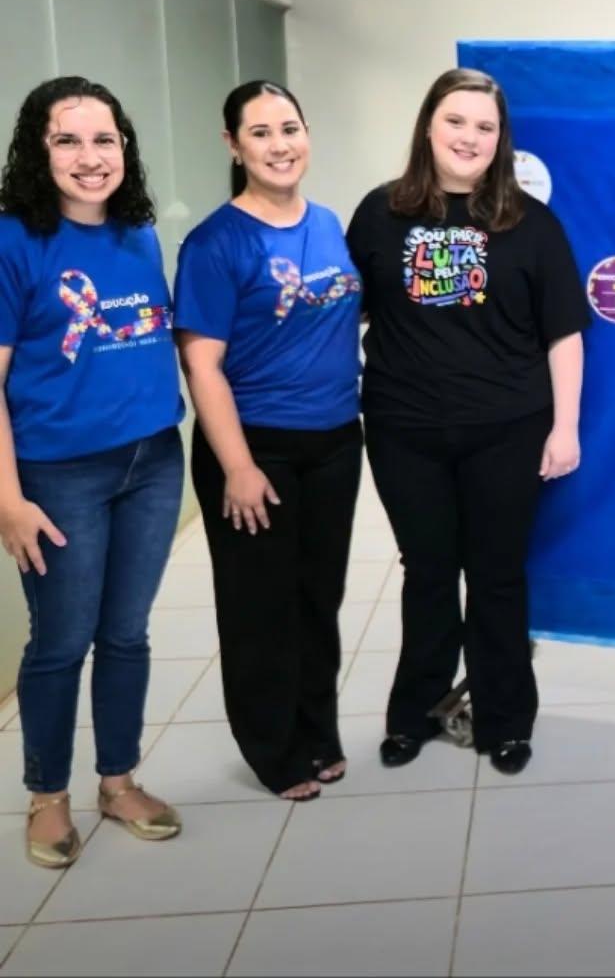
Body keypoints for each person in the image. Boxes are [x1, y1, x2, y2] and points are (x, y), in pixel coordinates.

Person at [345, 67, 588, 775]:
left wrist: (565, 428)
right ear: (429, 125)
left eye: (485, 127)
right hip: (404, 429)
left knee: (496, 575)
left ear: (500, 140)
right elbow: (343, 313)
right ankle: (416, 712)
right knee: (426, 573)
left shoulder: (532, 224)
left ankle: (504, 718)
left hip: (508, 429)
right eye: (456, 121)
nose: (469, 137)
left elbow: (564, 334)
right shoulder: (379, 213)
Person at [0, 77, 185, 867]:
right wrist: (8, 498)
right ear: (36, 151)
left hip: (153, 460)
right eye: (67, 140)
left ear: (124, 148)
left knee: (126, 632)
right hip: (59, 472)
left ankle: (118, 780)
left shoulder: (137, 232)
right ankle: (47, 794)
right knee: (62, 637)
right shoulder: (13, 240)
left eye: (104, 139)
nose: (90, 156)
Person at [173, 81, 364, 802]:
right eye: (260, 133)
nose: (280, 145)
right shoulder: (215, 243)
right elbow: (202, 365)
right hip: (255, 447)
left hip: (336, 440)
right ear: (233, 145)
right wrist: (239, 466)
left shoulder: (329, 223)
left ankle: (317, 730)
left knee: (319, 598)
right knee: (261, 607)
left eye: (289, 128)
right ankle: (274, 749)